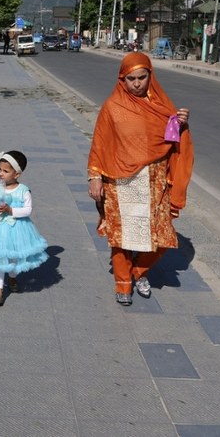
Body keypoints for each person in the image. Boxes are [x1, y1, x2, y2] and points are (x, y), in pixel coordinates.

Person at [87, 52, 194, 306]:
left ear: (150, 76)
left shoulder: (162, 107)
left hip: (154, 181)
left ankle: (138, 271)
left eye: (142, 77)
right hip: (119, 182)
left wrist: (180, 125)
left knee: (163, 237)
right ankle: (123, 284)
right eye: (131, 79)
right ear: (122, 79)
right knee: (122, 237)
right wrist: (95, 177)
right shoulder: (112, 107)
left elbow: (171, 141)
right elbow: (100, 144)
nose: (137, 83)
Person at [0, 151, 49, 306]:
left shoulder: (23, 190)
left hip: (17, 229)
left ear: (17, 174)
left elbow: (28, 210)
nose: (1, 174)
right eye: (0, 169)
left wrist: (11, 210)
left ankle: (12, 277)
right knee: (0, 259)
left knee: (14, 258)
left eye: (6, 171)